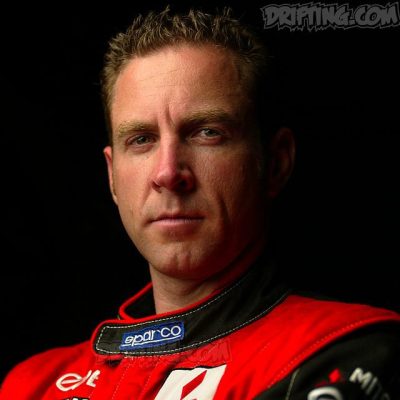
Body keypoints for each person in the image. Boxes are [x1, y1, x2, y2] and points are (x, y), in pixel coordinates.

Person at [1, 6, 399, 400]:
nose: (167, 173)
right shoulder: (33, 385)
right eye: (141, 139)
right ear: (112, 176)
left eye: (207, 132)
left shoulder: (347, 350)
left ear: (275, 163)